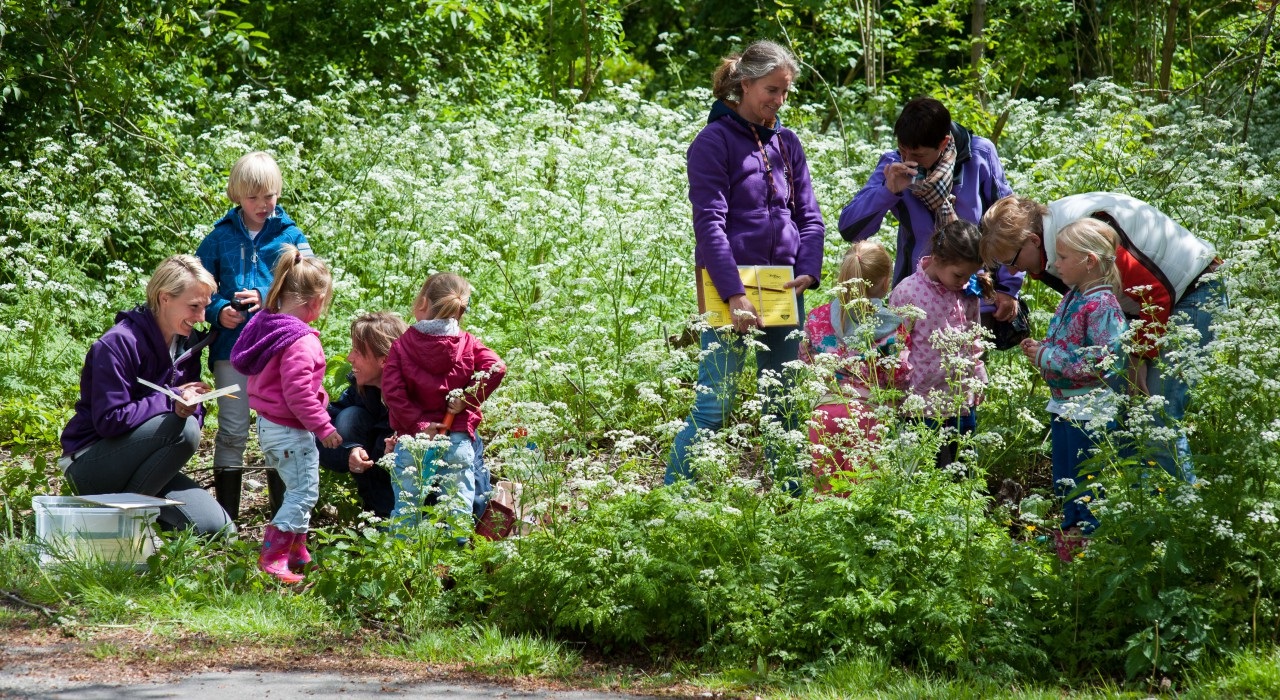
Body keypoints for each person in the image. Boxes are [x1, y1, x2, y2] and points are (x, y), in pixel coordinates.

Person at [665, 39, 826, 485]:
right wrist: (734, 294)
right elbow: (709, 226)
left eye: (785, 92)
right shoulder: (712, 142)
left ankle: (791, 504)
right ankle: (668, 501)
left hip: (783, 288)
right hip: (728, 289)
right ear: (745, 83)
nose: (779, 101)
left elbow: (810, 217)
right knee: (713, 407)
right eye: (771, 90)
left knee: (785, 404)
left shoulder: (788, 143)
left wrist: (808, 272)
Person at [980, 192, 1224, 483]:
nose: (1012, 271)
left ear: (1032, 240)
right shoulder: (1052, 252)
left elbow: (1154, 294)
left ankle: (1182, 515)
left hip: (1192, 293)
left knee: (1157, 414)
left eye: (1011, 261)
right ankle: (1139, 507)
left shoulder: (1079, 237)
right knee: (1125, 413)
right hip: (1142, 308)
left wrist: (1138, 356)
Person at [59, 255, 234, 535]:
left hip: (146, 464)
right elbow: (109, 421)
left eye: (205, 307)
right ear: (165, 298)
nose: (201, 317)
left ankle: (129, 516)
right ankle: (123, 527)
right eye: (194, 306)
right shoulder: (118, 343)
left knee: (219, 529)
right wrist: (170, 400)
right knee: (184, 430)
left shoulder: (187, 345)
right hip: (92, 462)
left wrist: (191, 406)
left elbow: (190, 411)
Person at [196, 151, 313, 521]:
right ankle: (226, 519)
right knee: (232, 428)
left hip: (278, 350)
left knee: (279, 429)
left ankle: (282, 515)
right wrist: (217, 312)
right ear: (235, 196)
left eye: (269, 196)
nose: (263, 205)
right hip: (230, 349)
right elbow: (196, 288)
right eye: (253, 197)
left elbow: (310, 285)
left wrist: (266, 297)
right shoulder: (217, 239)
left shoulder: (291, 237)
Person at [837, 97, 1022, 323]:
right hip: (916, 299)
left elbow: (1009, 222)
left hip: (974, 294)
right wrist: (888, 191)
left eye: (918, 156)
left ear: (943, 144)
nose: (909, 161)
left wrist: (1008, 288)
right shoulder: (893, 165)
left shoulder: (979, 155)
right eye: (903, 150)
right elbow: (849, 229)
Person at [1017, 219, 1127, 559]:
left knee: (1085, 478)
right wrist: (1042, 349)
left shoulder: (1103, 306)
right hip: (1064, 404)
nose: (1054, 264)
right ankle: (1070, 534)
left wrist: (1048, 356)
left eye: (1063, 257)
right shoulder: (1074, 297)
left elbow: (1104, 362)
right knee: (1064, 476)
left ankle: (1087, 544)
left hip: (1089, 409)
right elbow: (1067, 344)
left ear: (1090, 261)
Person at [230, 245, 339, 584]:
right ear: (316, 302)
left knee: (299, 488)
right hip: (291, 430)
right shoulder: (302, 341)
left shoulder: (269, 324)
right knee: (304, 492)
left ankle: (297, 550)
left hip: (267, 425)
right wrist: (324, 427)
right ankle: (274, 555)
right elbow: (297, 393)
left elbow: (281, 383)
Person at [383, 272, 505, 530]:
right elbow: (497, 367)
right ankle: (455, 557)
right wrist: (468, 399)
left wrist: (419, 424)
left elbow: (393, 393)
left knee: (408, 507)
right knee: (457, 504)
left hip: (414, 440)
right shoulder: (468, 343)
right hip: (457, 438)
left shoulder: (402, 346)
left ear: (423, 304)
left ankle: (405, 561)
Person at [800, 241, 911, 492]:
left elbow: (805, 358)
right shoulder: (894, 327)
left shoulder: (818, 316)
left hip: (824, 414)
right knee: (863, 497)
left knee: (827, 492)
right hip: (868, 415)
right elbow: (899, 375)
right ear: (886, 283)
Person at [888, 220, 989, 470]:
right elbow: (896, 345)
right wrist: (897, 392)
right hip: (921, 403)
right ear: (937, 258)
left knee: (960, 468)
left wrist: (978, 377)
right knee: (921, 472)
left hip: (960, 400)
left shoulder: (967, 292)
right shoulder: (908, 291)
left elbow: (973, 339)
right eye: (958, 274)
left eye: (969, 275)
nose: (964, 281)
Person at [317, 312, 407, 520]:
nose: (349, 358)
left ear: (384, 360)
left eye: (358, 351)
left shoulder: (418, 395)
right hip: (378, 493)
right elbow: (320, 434)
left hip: (424, 504)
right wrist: (348, 454)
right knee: (350, 417)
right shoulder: (360, 391)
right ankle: (376, 511)